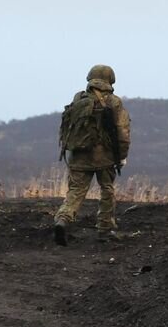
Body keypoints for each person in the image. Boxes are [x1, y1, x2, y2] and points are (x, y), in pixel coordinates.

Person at [53, 64, 131, 244]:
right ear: (110, 80)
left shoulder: (78, 97)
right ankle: (105, 228)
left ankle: (63, 219)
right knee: (107, 190)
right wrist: (122, 156)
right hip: (104, 156)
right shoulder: (114, 102)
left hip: (78, 154)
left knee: (76, 191)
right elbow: (122, 133)